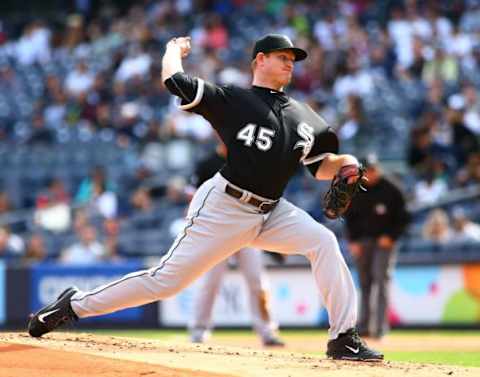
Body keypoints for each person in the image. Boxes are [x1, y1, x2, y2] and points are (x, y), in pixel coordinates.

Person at [28, 34, 383, 361]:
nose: (290, 62)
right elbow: (174, 81)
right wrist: (172, 50)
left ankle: (342, 338)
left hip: (273, 212)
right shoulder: (234, 99)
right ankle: (73, 305)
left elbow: (321, 166)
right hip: (224, 205)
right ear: (259, 60)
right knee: (165, 282)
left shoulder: (306, 117)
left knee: (323, 241)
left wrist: (347, 164)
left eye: (293, 58)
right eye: (282, 56)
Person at [189, 141, 284, 347]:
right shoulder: (207, 164)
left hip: (246, 230)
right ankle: (199, 330)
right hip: (217, 232)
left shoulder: (246, 160)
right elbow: (194, 197)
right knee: (210, 283)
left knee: (258, 283)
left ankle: (267, 331)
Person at [344, 155, 410, 339]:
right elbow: (349, 219)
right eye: (366, 170)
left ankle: (380, 327)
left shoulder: (392, 189)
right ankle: (364, 327)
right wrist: (353, 241)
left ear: (378, 169)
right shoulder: (357, 189)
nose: (370, 174)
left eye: (372, 169)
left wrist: (391, 236)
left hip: (383, 242)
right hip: (363, 242)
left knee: (381, 281)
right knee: (365, 284)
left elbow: (404, 217)